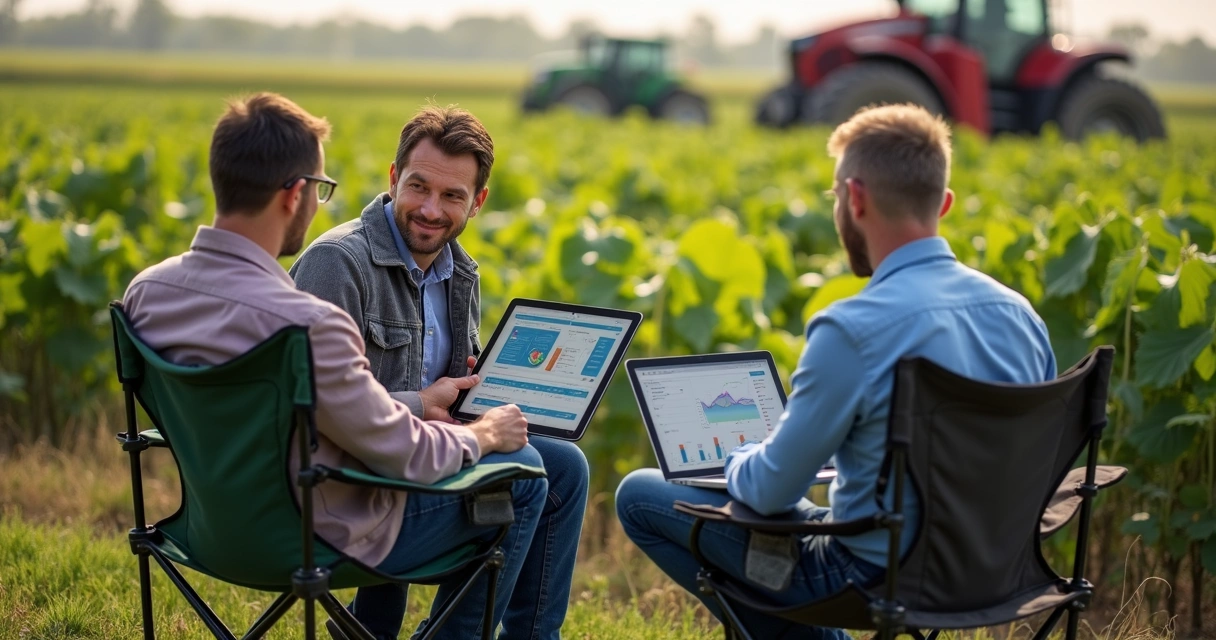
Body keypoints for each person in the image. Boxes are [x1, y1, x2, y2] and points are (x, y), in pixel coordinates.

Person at [614, 104, 1057, 639]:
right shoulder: (1020, 316)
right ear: (943, 203)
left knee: (639, 494)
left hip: (873, 575)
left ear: (856, 198)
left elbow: (770, 492)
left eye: (834, 195)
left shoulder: (853, 329)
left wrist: (737, 459)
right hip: (997, 571)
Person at [122, 93, 546, 640]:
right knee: (526, 476)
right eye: (322, 189)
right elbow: (410, 454)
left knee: (549, 463)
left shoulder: (145, 292)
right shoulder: (308, 323)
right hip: (317, 532)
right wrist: (485, 433)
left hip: (206, 530)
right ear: (296, 195)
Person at [290, 105, 588, 640]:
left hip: (413, 458)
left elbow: (441, 401)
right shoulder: (337, 263)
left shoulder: (459, 272)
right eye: (418, 187)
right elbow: (316, 406)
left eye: (452, 196)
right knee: (520, 471)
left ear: (478, 202)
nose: (430, 209)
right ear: (393, 178)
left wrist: (474, 391)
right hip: (346, 484)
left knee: (565, 465)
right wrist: (423, 403)